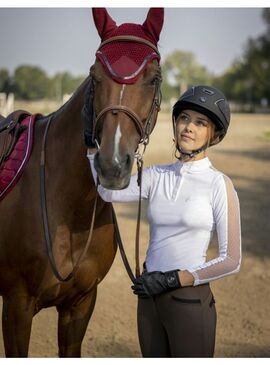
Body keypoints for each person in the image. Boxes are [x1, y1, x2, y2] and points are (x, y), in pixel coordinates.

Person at [87, 85, 242, 357]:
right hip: (148, 299)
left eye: (200, 122)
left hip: (189, 300)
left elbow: (231, 260)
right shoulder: (157, 175)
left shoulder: (219, 184)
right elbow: (107, 191)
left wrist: (172, 279)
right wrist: (92, 147)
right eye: (184, 118)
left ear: (213, 134)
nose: (188, 127)